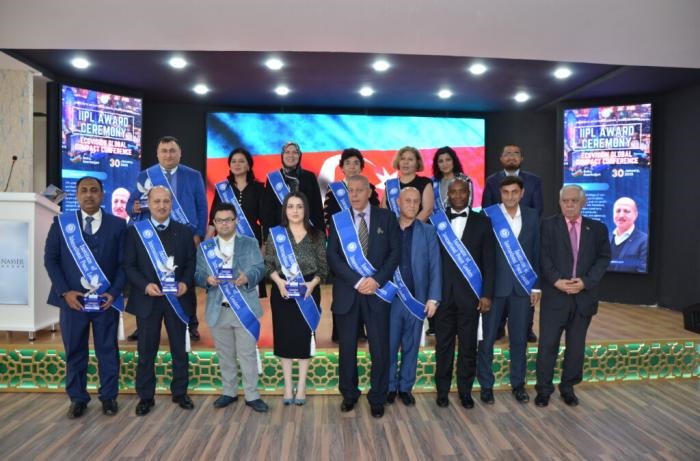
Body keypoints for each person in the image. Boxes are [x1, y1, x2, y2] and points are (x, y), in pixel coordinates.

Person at [44, 176, 127, 418]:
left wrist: (113, 292)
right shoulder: (62, 223)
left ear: (102, 195)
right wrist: (64, 292)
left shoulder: (118, 225)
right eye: (84, 190)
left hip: (106, 302)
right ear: (77, 195)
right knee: (74, 351)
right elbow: (51, 260)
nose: (89, 194)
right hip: (73, 303)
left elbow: (124, 264)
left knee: (107, 351)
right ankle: (78, 399)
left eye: (94, 190)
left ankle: (109, 397)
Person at [327, 175, 401, 418]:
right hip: (348, 293)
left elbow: (395, 253)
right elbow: (333, 256)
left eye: (360, 190)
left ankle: (377, 397)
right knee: (347, 349)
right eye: (351, 190)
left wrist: (377, 280)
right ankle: (349, 394)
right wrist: (357, 281)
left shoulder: (386, 217)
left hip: (377, 293)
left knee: (379, 349)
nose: (355, 195)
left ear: (369, 191)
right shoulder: (339, 220)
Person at [124, 186, 197, 416]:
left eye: (166, 201)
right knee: (146, 351)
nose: (162, 206)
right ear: (149, 204)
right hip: (148, 300)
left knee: (179, 350)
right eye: (157, 201)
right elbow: (129, 266)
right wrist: (145, 285)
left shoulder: (184, 232)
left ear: (171, 204)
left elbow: (191, 263)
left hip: (177, 299)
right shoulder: (136, 232)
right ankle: (146, 397)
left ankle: (180, 392)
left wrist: (185, 282)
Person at [535, 185, 610, 407]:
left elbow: (603, 258)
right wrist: (556, 280)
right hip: (555, 297)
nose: (569, 205)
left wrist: (586, 282)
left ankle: (568, 387)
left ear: (583, 202)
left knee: (576, 348)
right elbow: (542, 256)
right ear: (560, 203)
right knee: (547, 346)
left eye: (574, 201)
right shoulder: (547, 226)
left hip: (583, 298)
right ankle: (543, 389)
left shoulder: (597, 229)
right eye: (565, 201)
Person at [127, 136, 207, 341]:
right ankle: (143, 324)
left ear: (180, 153)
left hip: (184, 236)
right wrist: (135, 208)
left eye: (172, 150)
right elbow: (131, 205)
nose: (168, 155)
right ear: (157, 154)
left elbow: (202, 206)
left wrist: (198, 234)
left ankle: (190, 323)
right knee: (149, 277)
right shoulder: (146, 175)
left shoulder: (193, 175)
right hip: (153, 236)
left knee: (185, 279)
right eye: (164, 151)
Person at [195, 203, 269, 412]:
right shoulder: (205, 248)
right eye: (220, 220)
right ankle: (229, 392)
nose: (224, 224)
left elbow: (259, 268)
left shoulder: (249, 243)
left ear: (236, 221)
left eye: (228, 220)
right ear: (214, 223)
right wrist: (207, 279)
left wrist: (248, 277)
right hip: (218, 309)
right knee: (225, 354)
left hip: (244, 308)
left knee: (247, 354)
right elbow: (197, 274)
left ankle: (252, 395)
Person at [432, 176, 495, 409]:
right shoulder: (436, 222)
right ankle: (442, 391)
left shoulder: (483, 222)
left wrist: (487, 294)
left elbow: (490, 262)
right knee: (444, 346)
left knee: (468, 347)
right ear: (447, 195)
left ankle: (465, 392)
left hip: (471, 296)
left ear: (469, 194)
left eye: (463, 192)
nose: (458, 195)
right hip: (443, 296)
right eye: (454, 192)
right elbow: (431, 262)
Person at [478, 175, 540, 405]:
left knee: (519, 339)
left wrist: (536, 286)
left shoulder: (533, 216)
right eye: (506, 192)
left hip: (523, 288)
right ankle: (486, 385)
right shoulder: (488, 215)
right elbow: (482, 253)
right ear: (500, 194)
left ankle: (518, 384)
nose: (510, 196)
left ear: (522, 193)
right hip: (494, 288)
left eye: (515, 192)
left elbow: (536, 251)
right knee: (487, 340)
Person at [265, 191, 327, 406]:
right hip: (282, 291)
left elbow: (323, 267)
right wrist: (279, 282)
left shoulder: (317, 235)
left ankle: (301, 386)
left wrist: (312, 284)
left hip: (308, 290)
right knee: (284, 338)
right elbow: (268, 264)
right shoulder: (276, 234)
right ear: (285, 210)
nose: (295, 210)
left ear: (305, 209)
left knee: (304, 338)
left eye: (299, 206)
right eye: (290, 206)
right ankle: (287, 386)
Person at [386, 187, 441, 406]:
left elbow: (435, 265)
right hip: (390, 299)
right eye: (407, 200)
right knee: (389, 346)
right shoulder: (387, 228)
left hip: (417, 300)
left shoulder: (428, 231)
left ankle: (405, 387)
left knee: (411, 346)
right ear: (398, 202)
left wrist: (433, 298)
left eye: (416, 201)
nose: (411, 205)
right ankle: (389, 386)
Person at [482, 144, 543, 343]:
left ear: (522, 158)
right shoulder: (491, 181)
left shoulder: (534, 180)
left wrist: (524, 225)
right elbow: (487, 210)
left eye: (515, 153)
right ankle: (499, 327)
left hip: (524, 240)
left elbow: (538, 209)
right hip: (500, 240)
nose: (511, 157)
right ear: (501, 158)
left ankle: (527, 328)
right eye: (507, 153)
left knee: (524, 296)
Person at [323, 148, 379, 342]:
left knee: (365, 289)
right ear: (342, 167)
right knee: (344, 292)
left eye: (356, 163)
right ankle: (341, 332)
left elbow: (376, 215)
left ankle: (363, 330)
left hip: (366, 249)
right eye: (348, 163)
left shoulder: (370, 188)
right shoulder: (334, 190)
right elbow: (328, 218)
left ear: (361, 167)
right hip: (343, 251)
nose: (352, 166)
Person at [207, 147, 267, 296]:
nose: (237, 164)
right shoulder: (222, 188)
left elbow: (265, 221)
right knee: (226, 294)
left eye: (241, 161)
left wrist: (264, 248)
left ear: (249, 165)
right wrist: (206, 245)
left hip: (251, 244)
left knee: (250, 292)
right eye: (233, 161)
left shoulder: (259, 188)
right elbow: (212, 221)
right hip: (225, 245)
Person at [262, 141, 324, 234]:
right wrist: (268, 236)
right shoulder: (273, 178)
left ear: (299, 156)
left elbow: (317, 207)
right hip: (281, 234)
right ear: (282, 155)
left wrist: (321, 234)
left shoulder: (309, 176)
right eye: (287, 152)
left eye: (295, 152)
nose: (291, 155)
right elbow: (268, 211)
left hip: (307, 232)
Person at [381, 146, 434, 222]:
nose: (405, 162)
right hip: (392, 228)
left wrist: (411, 227)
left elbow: (427, 210)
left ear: (417, 163)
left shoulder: (425, 183)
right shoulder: (390, 184)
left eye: (410, 159)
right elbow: (384, 210)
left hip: (418, 228)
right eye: (403, 159)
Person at [609, 197, 648, 272]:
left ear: (636, 215)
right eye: (618, 211)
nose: (621, 215)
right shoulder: (605, 238)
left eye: (626, 211)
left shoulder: (645, 241)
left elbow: (643, 271)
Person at [431, 146, 469, 210]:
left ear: (454, 161)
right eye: (441, 161)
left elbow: (468, 204)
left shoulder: (465, 180)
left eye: (448, 160)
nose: (445, 164)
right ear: (437, 164)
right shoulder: (432, 182)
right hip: (438, 216)